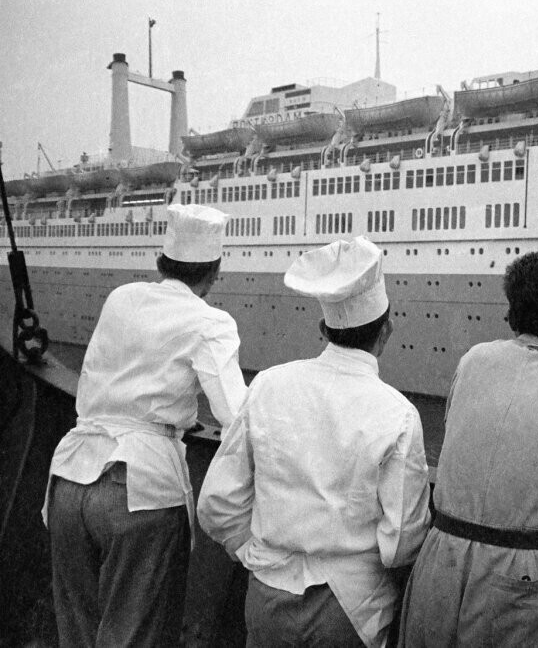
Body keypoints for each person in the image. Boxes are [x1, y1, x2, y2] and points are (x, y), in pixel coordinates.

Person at [198, 237, 432, 648]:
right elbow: (401, 545)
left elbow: (217, 504)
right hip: (352, 609)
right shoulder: (398, 414)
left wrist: (258, 556)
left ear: (323, 329)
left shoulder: (269, 385)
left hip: (267, 597)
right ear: (387, 330)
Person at [44, 203, 247, 647]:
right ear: (214, 272)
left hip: (71, 476)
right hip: (138, 490)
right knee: (135, 636)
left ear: (162, 261)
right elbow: (237, 418)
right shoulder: (210, 322)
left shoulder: (122, 297)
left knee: (76, 633)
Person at [399, 250, 538, 647]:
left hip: (440, 555)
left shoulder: (472, 361)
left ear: (511, 311)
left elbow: (463, 444)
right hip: (519, 571)